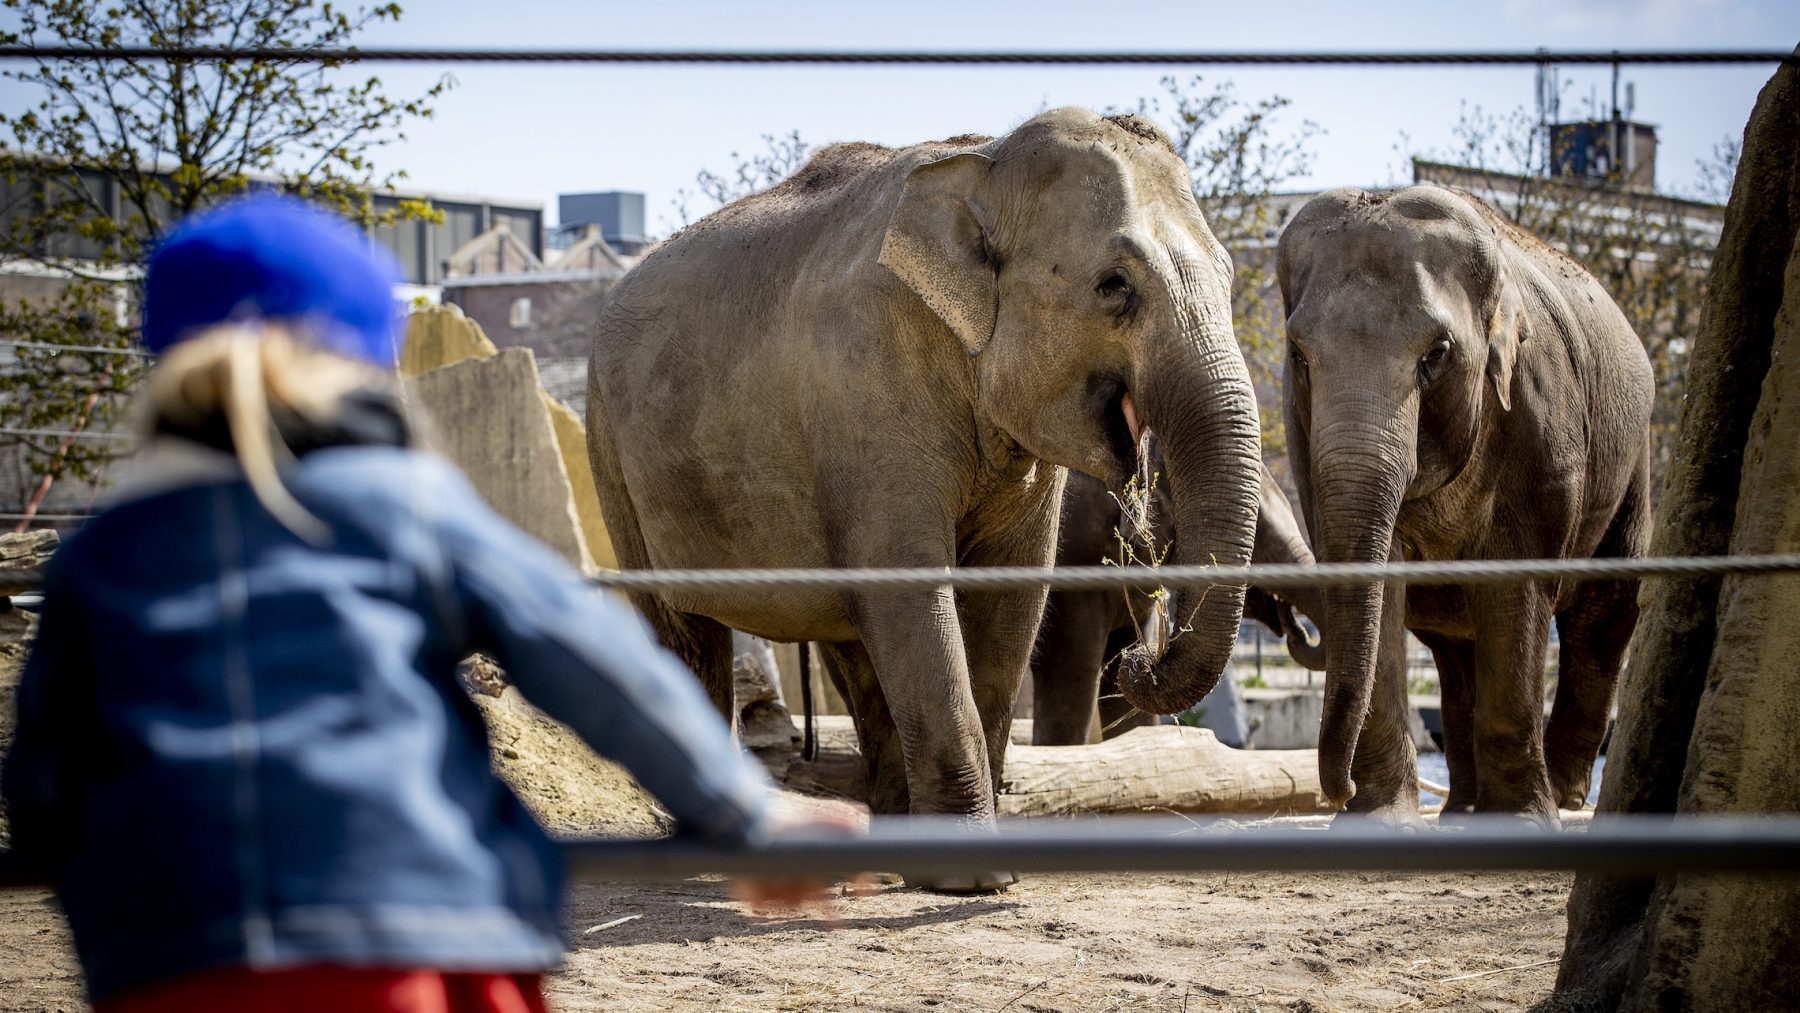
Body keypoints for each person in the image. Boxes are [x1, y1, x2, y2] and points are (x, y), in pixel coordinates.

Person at [2, 194, 837, 1012]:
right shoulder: (405, 506)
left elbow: (42, 784)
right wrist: (739, 806)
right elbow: (588, 655)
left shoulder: (100, 554)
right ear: (367, 358)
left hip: (172, 959)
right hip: (418, 932)